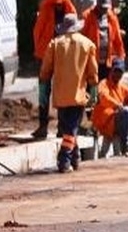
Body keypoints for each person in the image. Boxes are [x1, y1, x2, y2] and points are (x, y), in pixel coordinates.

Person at [39, 13, 99, 173]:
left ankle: (75, 159)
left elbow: (45, 71)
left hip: (60, 97)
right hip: (78, 96)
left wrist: (43, 91)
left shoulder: (55, 44)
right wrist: (93, 93)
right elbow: (93, 73)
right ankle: (64, 160)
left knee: (69, 130)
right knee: (71, 131)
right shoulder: (88, 45)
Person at [31, 0, 77, 139]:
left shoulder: (69, 9)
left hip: (63, 55)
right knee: (44, 90)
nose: (58, 4)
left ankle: (62, 128)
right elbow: (38, 30)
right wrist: (39, 52)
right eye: (56, 2)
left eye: (60, 2)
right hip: (45, 55)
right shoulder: (46, 8)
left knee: (62, 91)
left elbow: (74, 31)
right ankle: (43, 126)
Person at [81, 0, 126, 80]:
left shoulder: (111, 17)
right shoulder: (87, 16)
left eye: (106, 8)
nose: (104, 10)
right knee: (92, 88)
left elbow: (117, 39)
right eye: (102, 7)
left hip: (106, 61)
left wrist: (121, 56)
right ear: (97, 5)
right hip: (91, 61)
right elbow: (82, 37)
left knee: (104, 88)